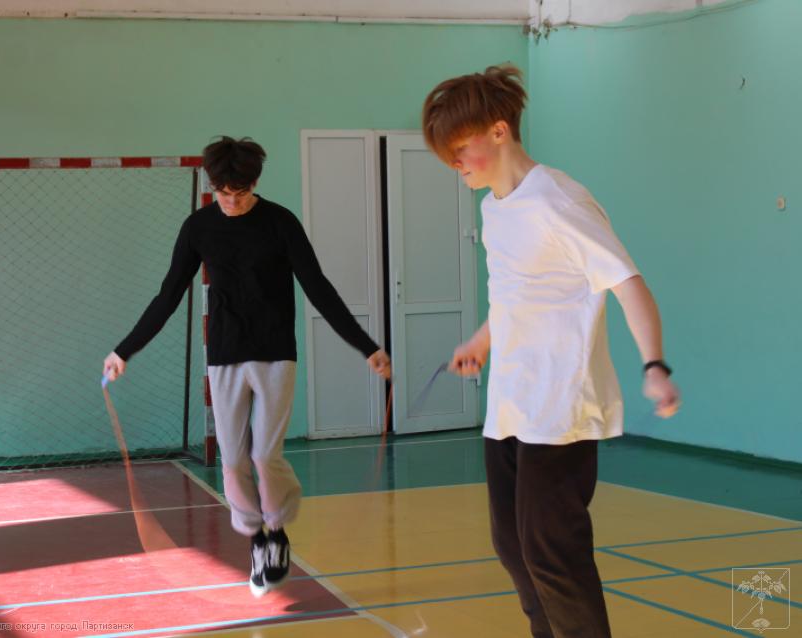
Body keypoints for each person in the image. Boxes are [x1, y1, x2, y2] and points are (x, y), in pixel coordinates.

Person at [421, 64, 681, 638]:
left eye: (460, 151)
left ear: (498, 131)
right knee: (512, 546)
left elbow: (628, 283)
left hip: (560, 406)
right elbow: (516, 293)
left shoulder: (558, 200)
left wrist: (654, 365)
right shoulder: (494, 208)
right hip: (510, 403)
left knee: (551, 551)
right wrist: (482, 342)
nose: (455, 165)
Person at [103, 136, 391, 598]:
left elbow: (318, 287)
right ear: (212, 186)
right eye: (222, 193)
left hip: (275, 353)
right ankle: (257, 538)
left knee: (264, 455)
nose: (231, 202)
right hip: (225, 354)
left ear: (254, 184)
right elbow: (168, 295)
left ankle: (277, 532)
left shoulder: (280, 222)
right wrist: (124, 350)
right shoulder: (198, 227)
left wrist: (366, 346)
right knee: (234, 459)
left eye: (239, 193)